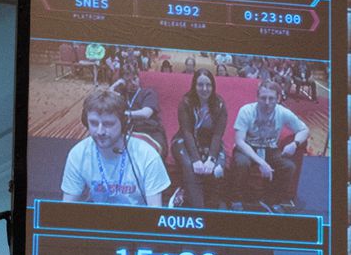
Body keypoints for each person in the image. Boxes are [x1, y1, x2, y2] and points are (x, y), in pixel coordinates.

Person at [61, 87, 170, 206]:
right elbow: (67, 208)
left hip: (137, 220)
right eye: (93, 123)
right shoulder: (78, 153)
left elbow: (155, 215)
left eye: (108, 124)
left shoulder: (147, 156)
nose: (100, 131)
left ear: (124, 123)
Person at [231, 81, 309, 212]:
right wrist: (261, 162)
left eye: (271, 98)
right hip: (247, 148)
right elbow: (239, 141)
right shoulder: (246, 111)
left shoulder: (282, 112)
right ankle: (236, 199)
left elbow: (304, 130)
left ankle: (273, 200)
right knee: (242, 163)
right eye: (263, 98)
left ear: (278, 98)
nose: (267, 102)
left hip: (270, 148)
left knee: (289, 167)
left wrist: (294, 144)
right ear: (257, 98)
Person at [173, 69, 230, 209]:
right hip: (184, 141)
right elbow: (187, 133)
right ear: (194, 85)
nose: (204, 89)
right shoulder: (185, 102)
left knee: (218, 169)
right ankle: (199, 209)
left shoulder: (220, 104)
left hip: (210, 142)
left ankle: (212, 206)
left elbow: (217, 135)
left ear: (213, 86)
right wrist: (196, 159)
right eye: (200, 85)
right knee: (190, 166)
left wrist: (211, 159)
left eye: (208, 85)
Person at [109, 61, 165, 151]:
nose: (133, 83)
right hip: (128, 132)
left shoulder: (148, 92)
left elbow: (145, 114)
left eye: (135, 79)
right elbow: (105, 104)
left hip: (149, 131)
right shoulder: (121, 95)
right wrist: (115, 85)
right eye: (128, 81)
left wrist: (122, 114)